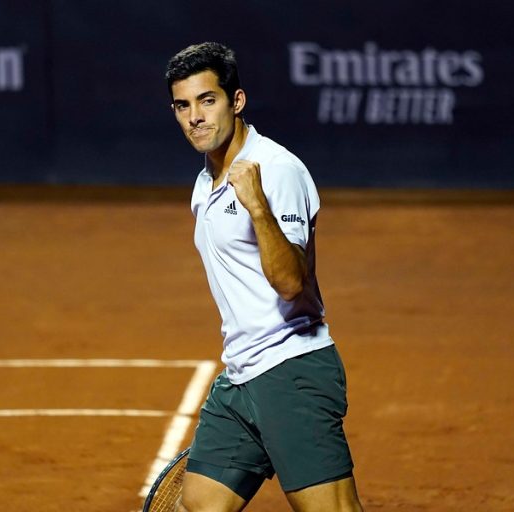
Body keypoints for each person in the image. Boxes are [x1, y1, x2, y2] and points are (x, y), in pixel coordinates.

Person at [164, 42, 364, 512]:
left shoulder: (278, 170)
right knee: (200, 504)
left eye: (207, 100)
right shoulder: (203, 183)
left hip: (292, 371)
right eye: (183, 105)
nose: (195, 116)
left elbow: (292, 283)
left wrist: (257, 206)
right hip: (240, 376)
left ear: (236, 101)